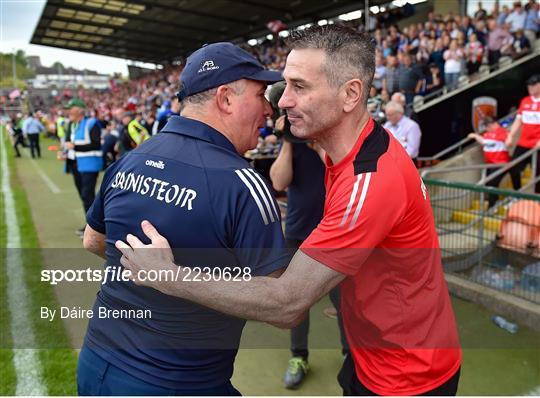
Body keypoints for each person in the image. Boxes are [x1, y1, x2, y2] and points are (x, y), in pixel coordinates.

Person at [117, 25, 462, 396]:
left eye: (300, 86)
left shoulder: (370, 181)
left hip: (407, 376)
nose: (281, 101)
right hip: (374, 355)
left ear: (350, 94)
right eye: (286, 85)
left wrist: (166, 275)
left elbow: (287, 303)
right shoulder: (348, 148)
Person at [80, 42, 285, 395]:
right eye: (260, 93)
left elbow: (93, 240)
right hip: (178, 380)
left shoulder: (131, 159)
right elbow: (281, 304)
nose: (269, 107)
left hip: (96, 362)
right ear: (225, 98)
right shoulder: (241, 182)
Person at [268, 82, 345, 389]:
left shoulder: (330, 137)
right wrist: (288, 139)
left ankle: (351, 353)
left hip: (334, 235)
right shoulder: (292, 140)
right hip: (299, 234)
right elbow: (278, 181)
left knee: (345, 302)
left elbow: (338, 166)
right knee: (296, 303)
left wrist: (314, 136)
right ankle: (298, 356)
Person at [64, 98, 103, 236]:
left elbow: (96, 144)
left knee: (87, 195)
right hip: (79, 164)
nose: (68, 111)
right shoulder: (75, 124)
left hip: (90, 165)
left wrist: (74, 147)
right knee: (84, 196)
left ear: (79, 110)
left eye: (71, 108)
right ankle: (91, 225)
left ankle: (93, 227)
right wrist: (66, 152)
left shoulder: (91, 123)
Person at [506, 74, 540, 193]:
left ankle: (537, 198)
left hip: (537, 144)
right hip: (523, 143)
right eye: (529, 86)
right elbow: (518, 120)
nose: (530, 88)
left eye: (533, 85)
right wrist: (510, 135)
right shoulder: (525, 101)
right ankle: (517, 193)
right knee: (513, 167)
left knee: (538, 173)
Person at [468, 117, 510, 207]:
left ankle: (492, 205)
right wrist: (476, 136)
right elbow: (484, 142)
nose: (487, 129)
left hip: (500, 163)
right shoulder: (488, 134)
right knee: (488, 183)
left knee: (492, 183)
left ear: (493, 124)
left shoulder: (502, 132)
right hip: (490, 164)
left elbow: (508, 141)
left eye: (488, 126)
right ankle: (494, 201)